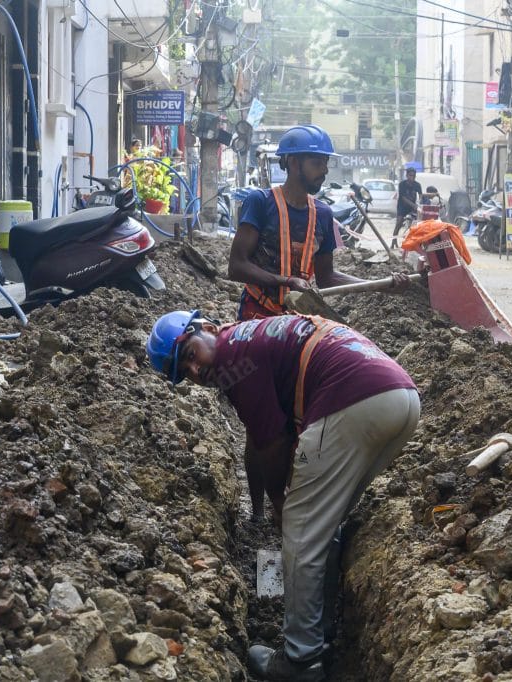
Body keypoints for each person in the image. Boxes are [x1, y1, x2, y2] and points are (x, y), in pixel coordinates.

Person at [146, 310, 420, 682]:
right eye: (184, 372)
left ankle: (300, 660)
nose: (195, 370)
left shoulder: (234, 361)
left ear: (208, 328)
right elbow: (263, 437)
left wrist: (279, 504)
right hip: (401, 399)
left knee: (301, 533)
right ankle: (321, 633)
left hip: (352, 400)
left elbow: (271, 443)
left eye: (191, 354)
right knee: (325, 522)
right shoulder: (250, 337)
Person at [228, 124, 410, 520]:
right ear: (292, 163)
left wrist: (381, 286)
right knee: (261, 423)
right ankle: (256, 513)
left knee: (293, 421)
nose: (324, 170)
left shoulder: (322, 215)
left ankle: (283, 507)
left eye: (325, 162)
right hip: (257, 322)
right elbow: (236, 265)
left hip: (297, 330)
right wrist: (283, 281)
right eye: (316, 162)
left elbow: (326, 278)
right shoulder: (260, 203)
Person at [393, 167, 423, 240]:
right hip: (402, 207)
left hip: (412, 208)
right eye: (410, 175)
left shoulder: (417, 185)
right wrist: (413, 205)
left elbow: (420, 195)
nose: (412, 177)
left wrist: (419, 203)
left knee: (417, 222)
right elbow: (403, 198)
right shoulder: (402, 184)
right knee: (399, 223)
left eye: (414, 176)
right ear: (407, 175)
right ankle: (394, 241)